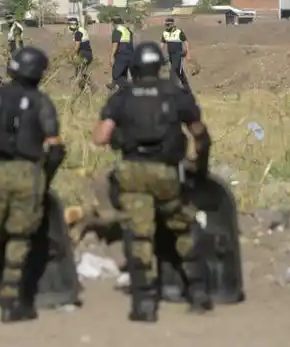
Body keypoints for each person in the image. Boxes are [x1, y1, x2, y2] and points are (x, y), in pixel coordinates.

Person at [91, 41, 213, 322]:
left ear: (133, 68)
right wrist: (200, 166)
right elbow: (200, 133)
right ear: (160, 67)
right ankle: (198, 292)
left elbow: (100, 137)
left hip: (132, 173)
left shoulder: (122, 97)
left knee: (139, 235)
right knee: (182, 229)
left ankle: (144, 303)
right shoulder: (176, 94)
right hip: (167, 173)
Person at [0, 46, 65, 323]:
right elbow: (55, 148)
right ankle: (10, 298)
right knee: (20, 236)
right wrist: (44, 178)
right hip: (27, 171)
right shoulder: (41, 102)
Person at [161, 17, 192, 91]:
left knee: (172, 71)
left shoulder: (179, 32)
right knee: (179, 72)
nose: (167, 26)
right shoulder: (165, 33)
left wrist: (188, 54)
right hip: (171, 55)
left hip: (179, 54)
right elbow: (161, 44)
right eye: (166, 25)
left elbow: (186, 43)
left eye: (168, 24)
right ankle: (186, 87)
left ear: (173, 24)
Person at [67, 17, 93, 93]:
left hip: (83, 55)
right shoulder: (82, 30)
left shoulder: (78, 33)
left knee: (78, 74)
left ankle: (86, 88)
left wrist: (71, 54)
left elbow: (77, 46)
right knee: (80, 72)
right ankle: (86, 88)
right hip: (89, 55)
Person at [109, 15, 134, 89]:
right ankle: (124, 89)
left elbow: (115, 44)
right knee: (123, 74)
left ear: (113, 22)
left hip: (121, 55)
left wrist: (112, 56)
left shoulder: (117, 31)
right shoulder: (128, 31)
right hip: (129, 55)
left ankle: (113, 85)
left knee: (116, 74)